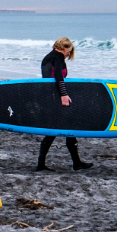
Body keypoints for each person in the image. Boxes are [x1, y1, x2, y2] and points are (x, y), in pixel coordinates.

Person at [35, 37, 94, 172]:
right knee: (59, 129)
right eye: (69, 51)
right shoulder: (58, 57)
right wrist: (63, 95)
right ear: (64, 48)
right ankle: (44, 164)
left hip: (50, 95)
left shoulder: (49, 57)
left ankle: (45, 164)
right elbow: (57, 76)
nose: (69, 54)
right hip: (55, 97)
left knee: (62, 128)